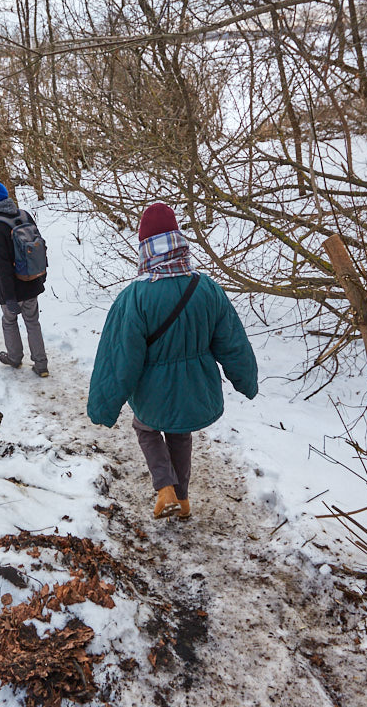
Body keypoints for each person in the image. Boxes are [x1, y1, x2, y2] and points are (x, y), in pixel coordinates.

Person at [87, 202, 258, 520]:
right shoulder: (207, 288)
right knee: (180, 434)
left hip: (153, 394)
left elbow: (119, 360)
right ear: (179, 243)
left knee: (145, 428)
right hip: (196, 390)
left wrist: (103, 406)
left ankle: (164, 488)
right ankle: (184, 500)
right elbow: (232, 342)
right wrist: (246, 379)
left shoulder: (134, 297)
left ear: (146, 249)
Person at [0, 181, 49, 377]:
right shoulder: (24, 215)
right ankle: (41, 364)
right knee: (32, 321)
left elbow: (2, 264)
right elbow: (40, 247)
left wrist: (9, 296)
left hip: (12, 285)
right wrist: (41, 276)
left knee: (9, 320)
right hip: (32, 280)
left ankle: (14, 357)